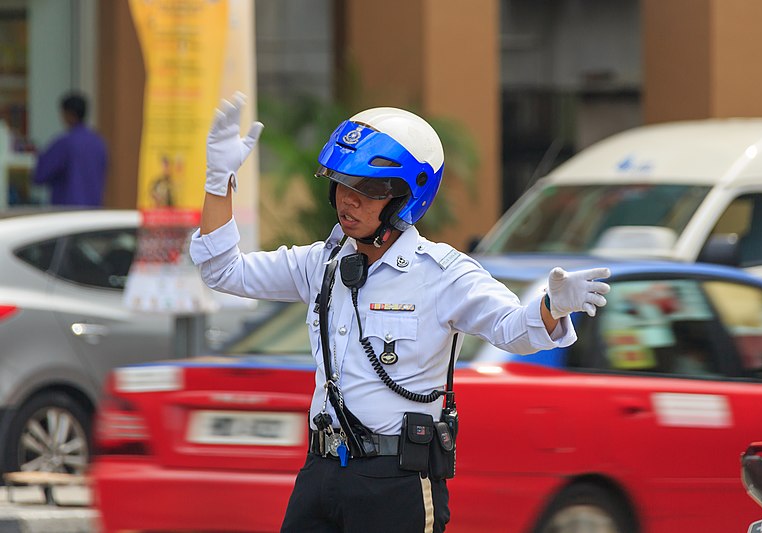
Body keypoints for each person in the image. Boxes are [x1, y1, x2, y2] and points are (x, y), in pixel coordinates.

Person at [190, 92, 611, 533]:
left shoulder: (443, 274)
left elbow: (513, 330)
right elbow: (223, 270)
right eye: (341, 183)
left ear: (407, 196)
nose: (348, 201)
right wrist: (219, 180)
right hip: (321, 472)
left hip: (396, 482)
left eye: (368, 190)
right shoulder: (322, 263)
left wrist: (551, 306)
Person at [32, 92, 107, 206]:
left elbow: (40, 175)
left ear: (68, 114)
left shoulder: (65, 143)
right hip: (93, 213)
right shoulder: (99, 143)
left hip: (67, 213)